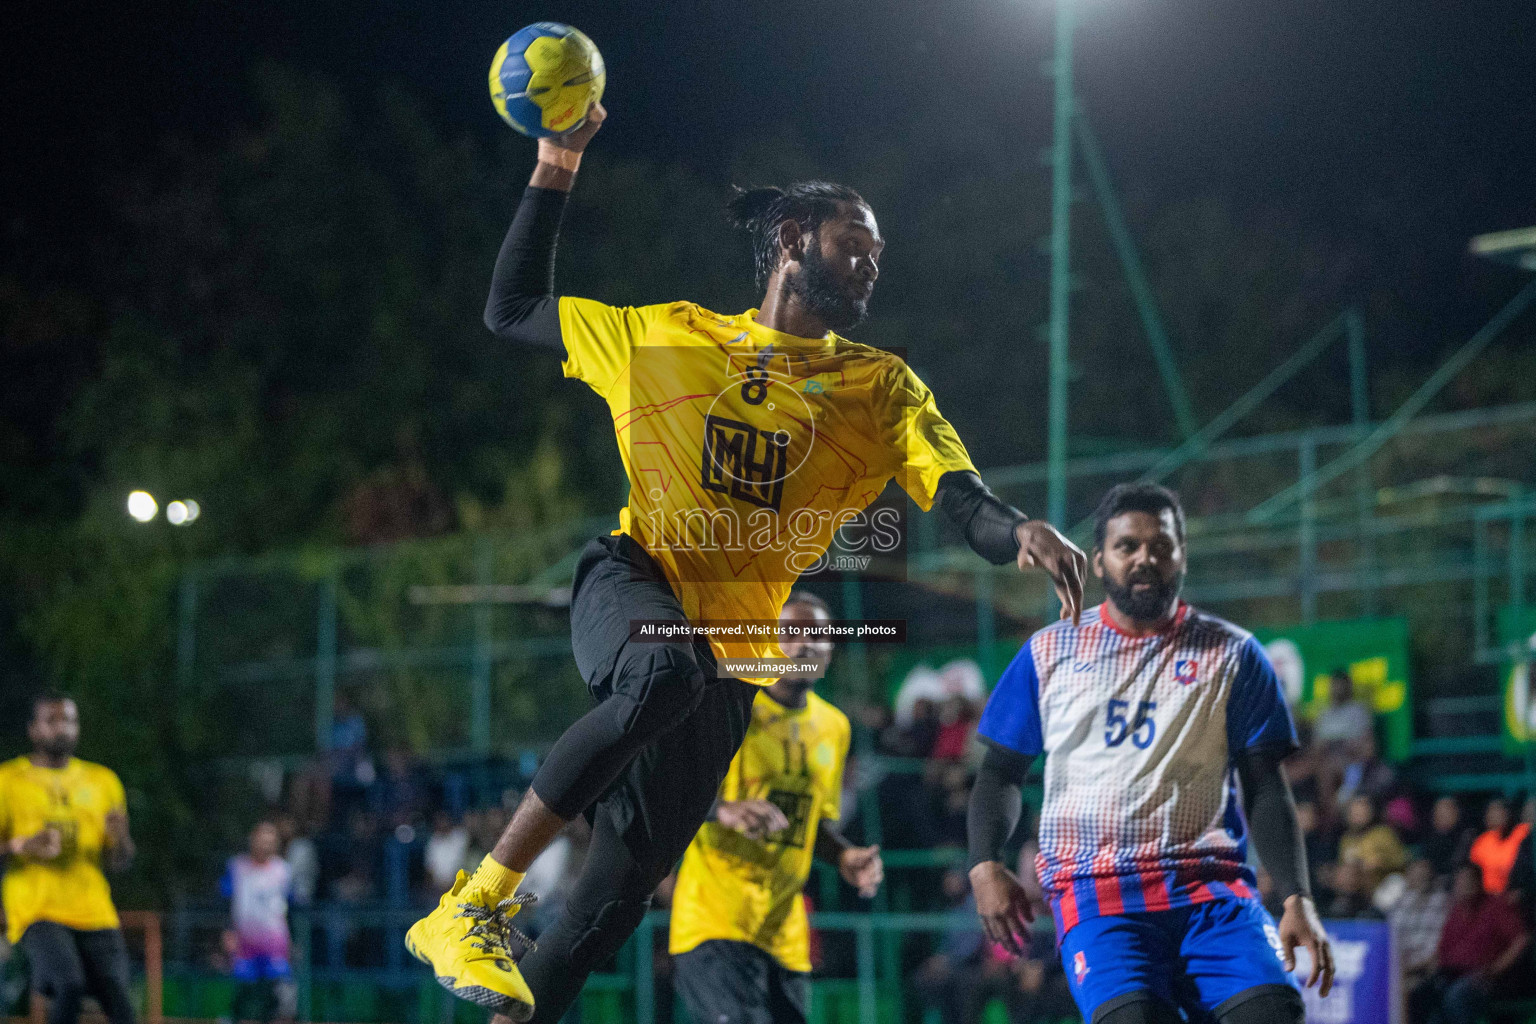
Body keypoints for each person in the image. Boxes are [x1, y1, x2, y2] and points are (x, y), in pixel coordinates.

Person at [403, 101, 1087, 1024]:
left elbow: (960, 498)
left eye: (878, 253)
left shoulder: (880, 388)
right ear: (794, 237)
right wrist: (558, 161)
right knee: (663, 668)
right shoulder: (667, 336)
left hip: (731, 665)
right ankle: (470, 903)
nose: (873, 263)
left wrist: (1019, 533)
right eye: (856, 243)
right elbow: (512, 308)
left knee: (608, 903)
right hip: (631, 582)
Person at [966, 483, 1333, 1024]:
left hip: (1211, 892)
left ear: (1182, 556)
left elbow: (1265, 785)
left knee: (1275, 1013)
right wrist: (984, 865)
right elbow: (999, 774)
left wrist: (1297, 897)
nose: (1145, 559)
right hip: (1097, 895)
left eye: (1161, 547)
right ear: (1099, 561)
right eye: (1128, 546)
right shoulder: (1049, 652)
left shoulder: (1234, 654)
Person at [668, 592, 881, 1024]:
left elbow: (810, 821)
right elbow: (673, 789)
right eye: (791, 632)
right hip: (715, 922)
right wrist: (724, 809)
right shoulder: (729, 704)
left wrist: (842, 854)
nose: (804, 643)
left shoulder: (834, 727)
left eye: (818, 635)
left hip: (785, 935)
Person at [0, 693, 137, 1024]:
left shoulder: (103, 781)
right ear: (34, 729)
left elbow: (120, 861)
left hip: (93, 908)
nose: (62, 728)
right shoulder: (8, 780)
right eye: (52, 720)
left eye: (69, 721)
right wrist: (20, 845)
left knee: (119, 994)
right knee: (68, 984)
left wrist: (120, 839)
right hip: (37, 907)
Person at [1409, 863, 1529, 1024]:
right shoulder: (1455, 912)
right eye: (1461, 881)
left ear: (1480, 882)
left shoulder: (1496, 906)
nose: (1465, 885)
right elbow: (1442, 950)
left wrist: (1497, 969)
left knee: (1456, 995)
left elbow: (1521, 939)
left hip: (1487, 979)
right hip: (1450, 974)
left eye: (1470, 880)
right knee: (1421, 995)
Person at [221, 821, 294, 1024]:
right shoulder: (237, 867)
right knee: (245, 1005)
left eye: (270, 841)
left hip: (276, 948)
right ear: (252, 839)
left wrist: (293, 941)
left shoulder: (283, 871)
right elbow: (224, 903)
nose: (265, 845)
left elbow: (292, 908)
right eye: (262, 840)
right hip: (245, 948)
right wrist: (227, 932)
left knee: (281, 1004)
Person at [1390, 859, 1449, 990]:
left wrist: (1408, 968)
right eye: (1416, 874)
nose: (1420, 878)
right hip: (1395, 967)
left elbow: (1437, 950)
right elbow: (1389, 938)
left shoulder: (1442, 903)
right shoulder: (1400, 902)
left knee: (1401, 989)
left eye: (1424, 875)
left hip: (1424, 971)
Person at [1336, 794, 1408, 893]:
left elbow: (1401, 860)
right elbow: (1343, 864)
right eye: (1355, 812)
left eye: (1362, 812)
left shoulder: (1382, 833)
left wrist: (1380, 862)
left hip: (1384, 886)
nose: (1358, 815)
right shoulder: (1347, 839)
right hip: (1356, 888)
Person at [1468, 796, 1528, 896]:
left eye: (1498, 810)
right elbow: (1473, 874)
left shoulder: (1522, 833)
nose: (1493, 815)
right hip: (1486, 898)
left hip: (1514, 895)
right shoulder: (1482, 842)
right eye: (1491, 811)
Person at [1422, 797, 1473, 881]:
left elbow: (1459, 864)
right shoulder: (1429, 838)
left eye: (1446, 811)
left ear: (1456, 813)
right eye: (1438, 811)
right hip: (1432, 884)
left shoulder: (1466, 837)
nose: (1441, 815)